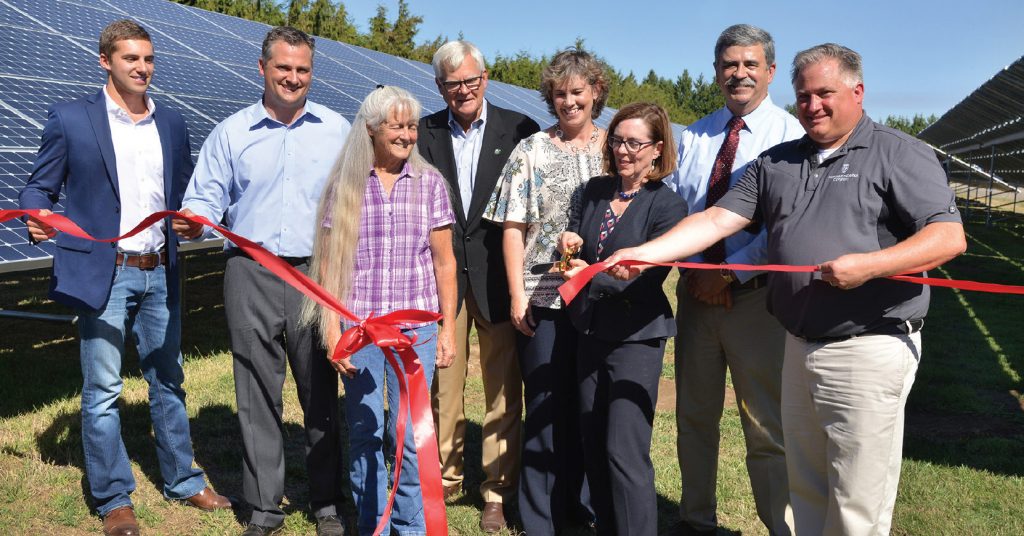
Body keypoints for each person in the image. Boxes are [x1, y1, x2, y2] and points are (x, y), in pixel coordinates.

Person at [606, 43, 966, 536]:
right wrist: (644, 254)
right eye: (804, 96)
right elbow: (714, 220)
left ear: (858, 92)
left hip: (868, 344)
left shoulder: (899, 153)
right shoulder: (778, 161)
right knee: (807, 487)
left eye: (825, 93)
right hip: (798, 342)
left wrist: (870, 266)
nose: (812, 105)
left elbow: (948, 237)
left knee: (856, 500)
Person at [18, 19, 230, 536]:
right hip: (104, 274)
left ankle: (183, 479)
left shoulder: (171, 123)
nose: (142, 67)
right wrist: (36, 215)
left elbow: (185, 198)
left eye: (148, 58)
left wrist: (193, 222)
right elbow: (39, 188)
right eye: (131, 58)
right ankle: (114, 498)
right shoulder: (71, 118)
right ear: (105, 61)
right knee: (103, 390)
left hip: (161, 271)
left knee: (169, 380)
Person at [172, 26, 350, 536]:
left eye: (303, 69)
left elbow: (354, 199)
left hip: (315, 274)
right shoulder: (231, 133)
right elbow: (205, 198)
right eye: (283, 67)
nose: (293, 77)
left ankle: (327, 503)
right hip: (250, 271)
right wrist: (193, 219)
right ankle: (264, 508)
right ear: (262, 68)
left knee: (320, 392)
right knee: (255, 393)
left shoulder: (337, 130)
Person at [301, 85, 457, 536]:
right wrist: (332, 330)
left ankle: (410, 526)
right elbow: (329, 267)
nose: (407, 135)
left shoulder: (430, 184)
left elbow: (444, 263)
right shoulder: (345, 185)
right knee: (365, 429)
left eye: (412, 126)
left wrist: (447, 329)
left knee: (408, 435)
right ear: (371, 129)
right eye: (397, 126)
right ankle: (374, 523)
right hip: (361, 329)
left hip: (416, 330)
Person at [666, 24, 802, 536]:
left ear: (770, 71)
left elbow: (787, 225)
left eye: (750, 64)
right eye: (729, 64)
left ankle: (781, 526)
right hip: (696, 297)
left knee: (766, 426)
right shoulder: (695, 135)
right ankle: (695, 519)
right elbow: (679, 212)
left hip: (756, 301)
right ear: (716, 71)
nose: (739, 73)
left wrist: (730, 271)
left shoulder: (791, 136)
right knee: (693, 418)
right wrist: (696, 272)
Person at [483, 47, 609, 534]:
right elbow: (512, 228)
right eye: (559, 94)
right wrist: (518, 294)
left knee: (589, 405)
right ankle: (539, 518)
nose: (568, 102)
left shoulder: (617, 146)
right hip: (544, 297)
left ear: (596, 92)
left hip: (600, 299)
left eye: (577, 92)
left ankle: (581, 508)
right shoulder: (531, 150)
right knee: (544, 405)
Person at [417, 39, 540, 532]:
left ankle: (497, 489)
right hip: (441, 276)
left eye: (471, 80)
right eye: (453, 83)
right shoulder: (422, 132)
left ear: (485, 79)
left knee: (503, 389)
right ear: (439, 87)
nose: (463, 90)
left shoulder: (520, 129)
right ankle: (445, 478)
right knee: (443, 384)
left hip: (497, 275)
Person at [558, 102, 685, 536]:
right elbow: (577, 238)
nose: (623, 150)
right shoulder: (594, 190)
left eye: (634, 143)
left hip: (636, 339)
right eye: (617, 140)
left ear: (658, 149)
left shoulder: (668, 206)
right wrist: (569, 243)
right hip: (590, 332)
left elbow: (646, 280)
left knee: (623, 451)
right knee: (593, 442)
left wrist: (587, 278)